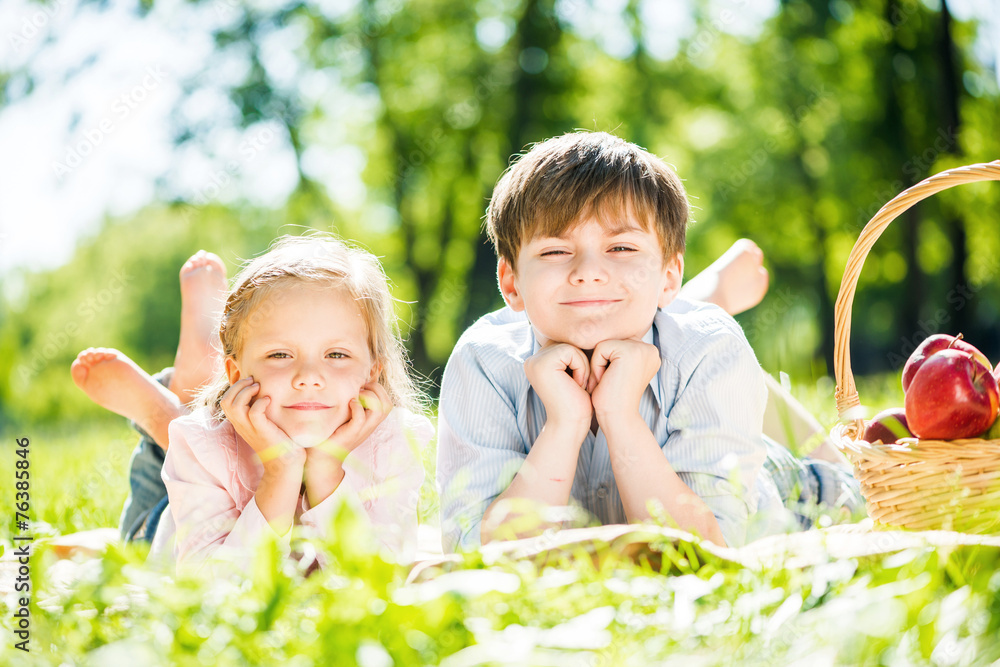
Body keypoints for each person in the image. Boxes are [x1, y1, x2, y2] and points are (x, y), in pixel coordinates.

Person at [435, 131, 861, 552]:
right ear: (510, 282)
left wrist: (619, 415)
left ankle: (701, 299)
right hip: (676, 366)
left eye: (620, 247)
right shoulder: (483, 361)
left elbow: (708, 554)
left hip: (781, 490)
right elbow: (476, 557)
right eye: (555, 251)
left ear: (670, 275)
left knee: (861, 495)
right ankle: (705, 292)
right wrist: (565, 424)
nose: (589, 271)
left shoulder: (709, 348)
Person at [74, 235, 433, 572]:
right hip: (165, 528)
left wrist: (326, 469)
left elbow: (374, 580)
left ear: (373, 371)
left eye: (336, 354)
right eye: (280, 354)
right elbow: (211, 590)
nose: (309, 376)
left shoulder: (395, 443)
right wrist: (280, 470)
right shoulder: (200, 446)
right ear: (236, 373)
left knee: (185, 428)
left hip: (201, 448)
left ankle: (181, 392)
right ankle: (163, 411)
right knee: (144, 530)